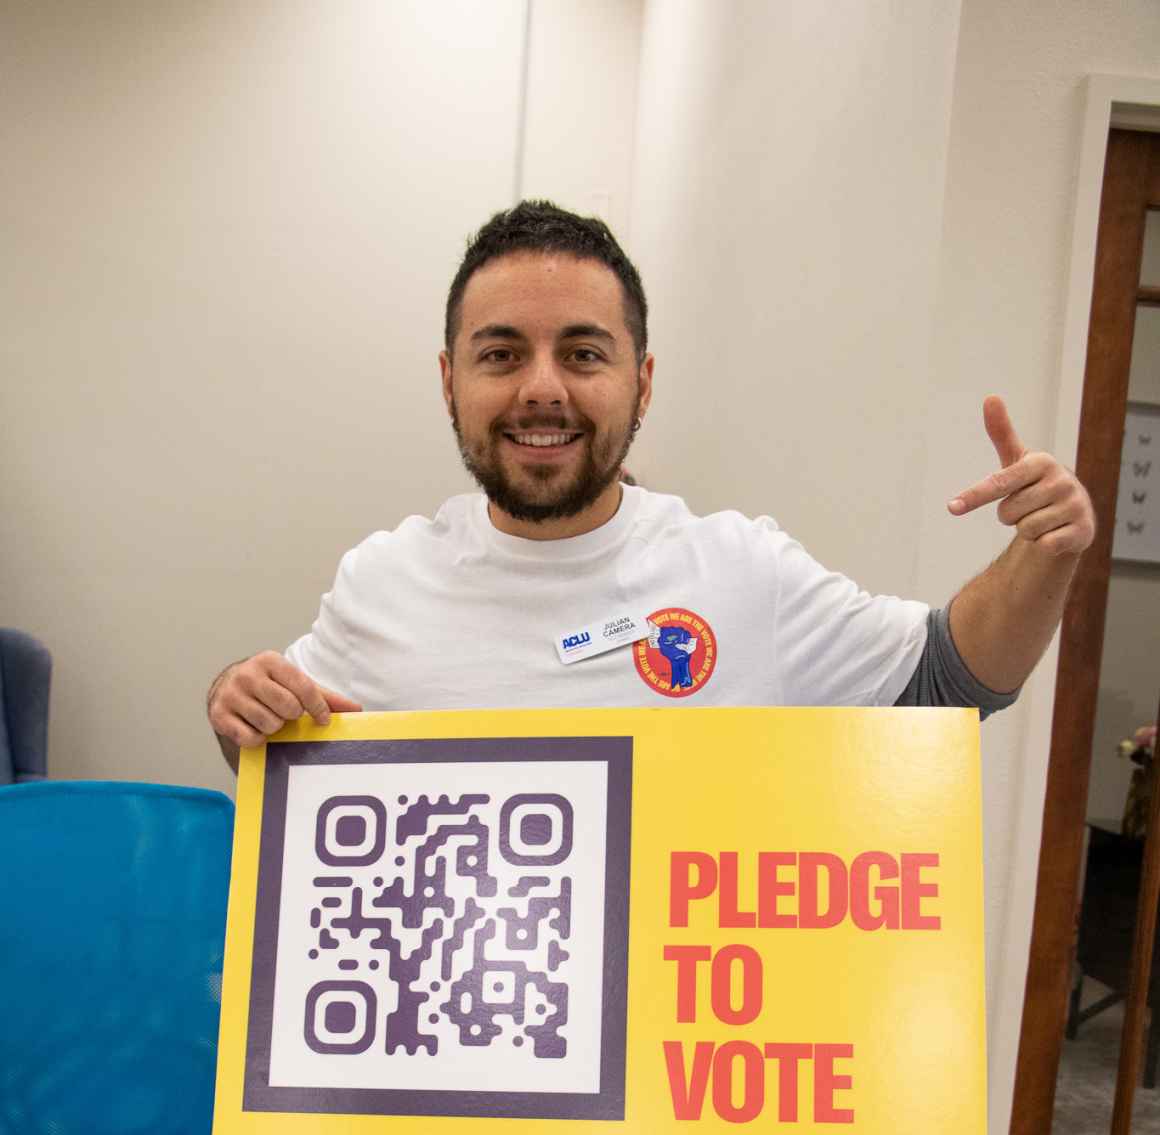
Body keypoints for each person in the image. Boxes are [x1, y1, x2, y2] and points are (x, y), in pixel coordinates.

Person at [207, 201, 1095, 765]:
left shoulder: (743, 571)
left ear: (643, 380)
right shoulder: (381, 582)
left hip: (681, 1054)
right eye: (501, 353)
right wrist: (232, 699)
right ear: (450, 381)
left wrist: (1044, 551)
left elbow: (952, 683)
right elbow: (281, 751)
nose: (542, 387)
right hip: (457, 1055)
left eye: (584, 353)